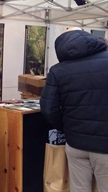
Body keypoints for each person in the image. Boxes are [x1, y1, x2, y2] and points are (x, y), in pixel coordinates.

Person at [40, 27, 108, 192]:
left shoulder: (58, 70)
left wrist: (67, 128)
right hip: (105, 145)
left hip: (76, 143)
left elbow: (48, 109)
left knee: (78, 188)